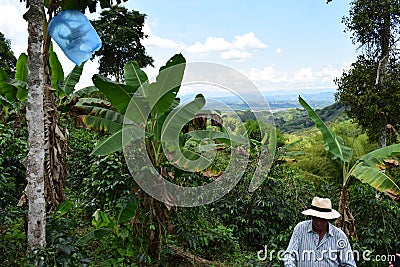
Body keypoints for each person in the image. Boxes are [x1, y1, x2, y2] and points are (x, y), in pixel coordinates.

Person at [283, 197, 357, 267]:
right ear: (311, 216)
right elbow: (289, 255)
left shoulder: (339, 236)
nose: (319, 223)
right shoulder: (300, 229)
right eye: (316, 218)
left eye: (322, 219)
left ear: (328, 218)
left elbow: (349, 264)